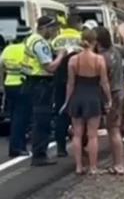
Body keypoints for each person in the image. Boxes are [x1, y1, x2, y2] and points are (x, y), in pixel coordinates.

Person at [22, 16, 67, 166]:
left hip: (33, 83)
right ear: (45, 28)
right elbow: (50, 67)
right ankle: (39, 155)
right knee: (42, 120)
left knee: (39, 119)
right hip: (41, 85)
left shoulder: (31, 39)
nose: (54, 31)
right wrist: (61, 55)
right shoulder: (40, 43)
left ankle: (39, 153)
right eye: (52, 28)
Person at [66, 29, 111, 175]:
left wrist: (67, 100)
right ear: (94, 42)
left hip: (77, 96)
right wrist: (108, 99)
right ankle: (93, 167)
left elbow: (70, 83)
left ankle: (79, 166)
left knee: (77, 134)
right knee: (92, 135)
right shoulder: (99, 60)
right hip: (93, 97)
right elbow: (104, 82)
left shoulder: (73, 60)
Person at [96, 26, 124, 176]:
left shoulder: (101, 58)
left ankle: (115, 164)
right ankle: (118, 163)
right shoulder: (117, 50)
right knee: (114, 129)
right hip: (120, 91)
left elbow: (102, 81)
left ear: (98, 42)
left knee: (109, 129)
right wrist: (123, 34)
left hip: (109, 94)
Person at [51, 13, 83, 158]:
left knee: (60, 113)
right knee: (78, 114)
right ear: (78, 24)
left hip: (58, 81)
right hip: (78, 81)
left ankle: (61, 148)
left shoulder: (56, 40)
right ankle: (80, 145)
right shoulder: (82, 39)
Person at [0, 23, 31, 157]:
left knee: (14, 117)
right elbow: (29, 69)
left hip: (9, 85)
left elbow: (1, 67)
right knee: (22, 118)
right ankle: (18, 147)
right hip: (22, 85)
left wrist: (2, 85)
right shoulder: (27, 50)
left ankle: (15, 146)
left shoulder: (8, 49)